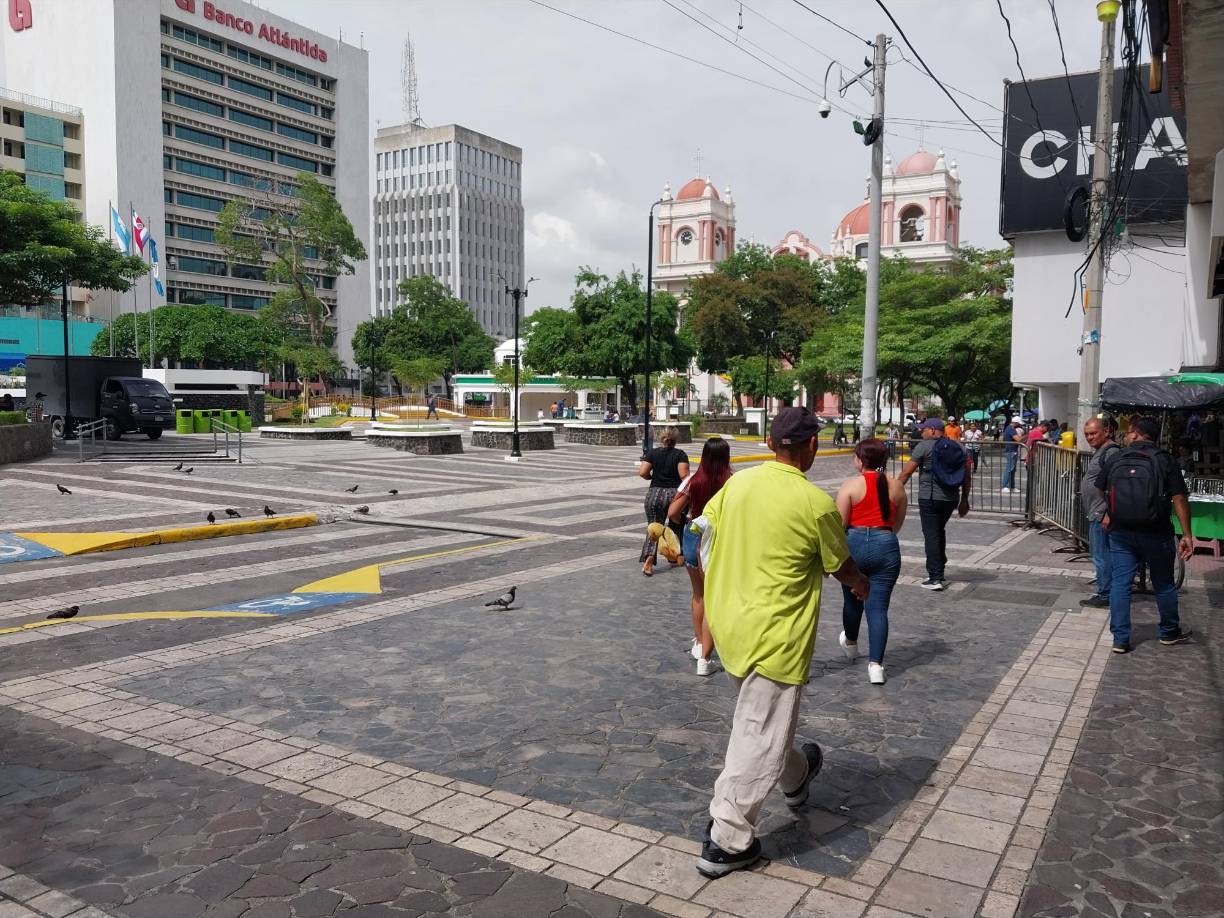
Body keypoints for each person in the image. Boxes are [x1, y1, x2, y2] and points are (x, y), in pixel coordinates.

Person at [694, 407, 869, 878]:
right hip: (777, 635)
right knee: (756, 732)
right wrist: (860, 585)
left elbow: (701, 531)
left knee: (764, 721)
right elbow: (840, 564)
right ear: (811, 445)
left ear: (772, 443)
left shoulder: (737, 485)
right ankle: (727, 840)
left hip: (730, 625)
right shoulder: (814, 504)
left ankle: (797, 775)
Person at [1095, 416, 1194, 653]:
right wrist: (1187, 534)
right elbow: (1180, 498)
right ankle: (1169, 632)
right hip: (1156, 531)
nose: (1128, 436)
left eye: (1129, 432)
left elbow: (1099, 488)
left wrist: (1112, 510)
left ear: (1137, 434)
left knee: (1121, 583)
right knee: (1163, 583)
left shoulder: (1117, 457)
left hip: (1121, 532)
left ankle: (1120, 639)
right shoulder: (1165, 460)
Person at [836, 438, 907, 684]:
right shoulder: (896, 487)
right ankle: (876, 665)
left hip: (854, 542)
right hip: (885, 544)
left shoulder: (850, 486)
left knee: (851, 600)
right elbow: (896, 524)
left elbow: (840, 525)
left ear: (859, 460)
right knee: (878, 609)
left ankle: (852, 642)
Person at [668, 437, 732, 677]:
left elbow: (673, 512)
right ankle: (711, 646)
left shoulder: (692, 481)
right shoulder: (733, 482)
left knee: (699, 595)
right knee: (718, 595)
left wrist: (684, 524)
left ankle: (699, 642)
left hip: (695, 535)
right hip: (723, 538)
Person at [897, 418, 971, 590]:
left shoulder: (924, 446)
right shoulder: (959, 447)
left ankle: (935, 577)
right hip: (951, 499)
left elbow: (906, 472)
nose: (921, 433)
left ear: (931, 430)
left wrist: (894, 491)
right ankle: (940, 566)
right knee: (938, 531)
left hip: (929, 498)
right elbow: (966, 476)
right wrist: (965, 500)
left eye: (923, 430)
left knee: (931, 534)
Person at [638, 427, 690, 576]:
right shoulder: (680, 455)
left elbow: (642, 472)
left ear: (661, 439)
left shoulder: (652, 453)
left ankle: (649, 561)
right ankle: (675, 557)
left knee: (654, 528)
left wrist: (651, 477)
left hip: (654, 494)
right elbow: (684, 476)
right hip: (675, 494)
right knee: (675, 525)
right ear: (676, 440)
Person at [1080, 418, 1120, 609]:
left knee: (1101, 555)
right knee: (1100, 554)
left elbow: (1115, 486)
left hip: (1101, 513)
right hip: (1096, 512)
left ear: (1106, 431)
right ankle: (1106, 590)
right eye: (1087, 434)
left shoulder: (1111, 452)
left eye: (1094, 433)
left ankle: (1106, 593)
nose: (1090, 437)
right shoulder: (1101, 451)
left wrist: (1108, 514)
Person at [1001, 415, 1023, 492]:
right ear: (1016, 423)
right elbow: (1018, 439)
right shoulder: (1011, 429)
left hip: (1012, 451)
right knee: (1009, 469)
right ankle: (1005, 486)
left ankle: (1011, 486)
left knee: (1012, 469)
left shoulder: (1010, 428)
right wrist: (1028, 436)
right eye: (1019, 424)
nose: (1020, 425)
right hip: (1011, 451)